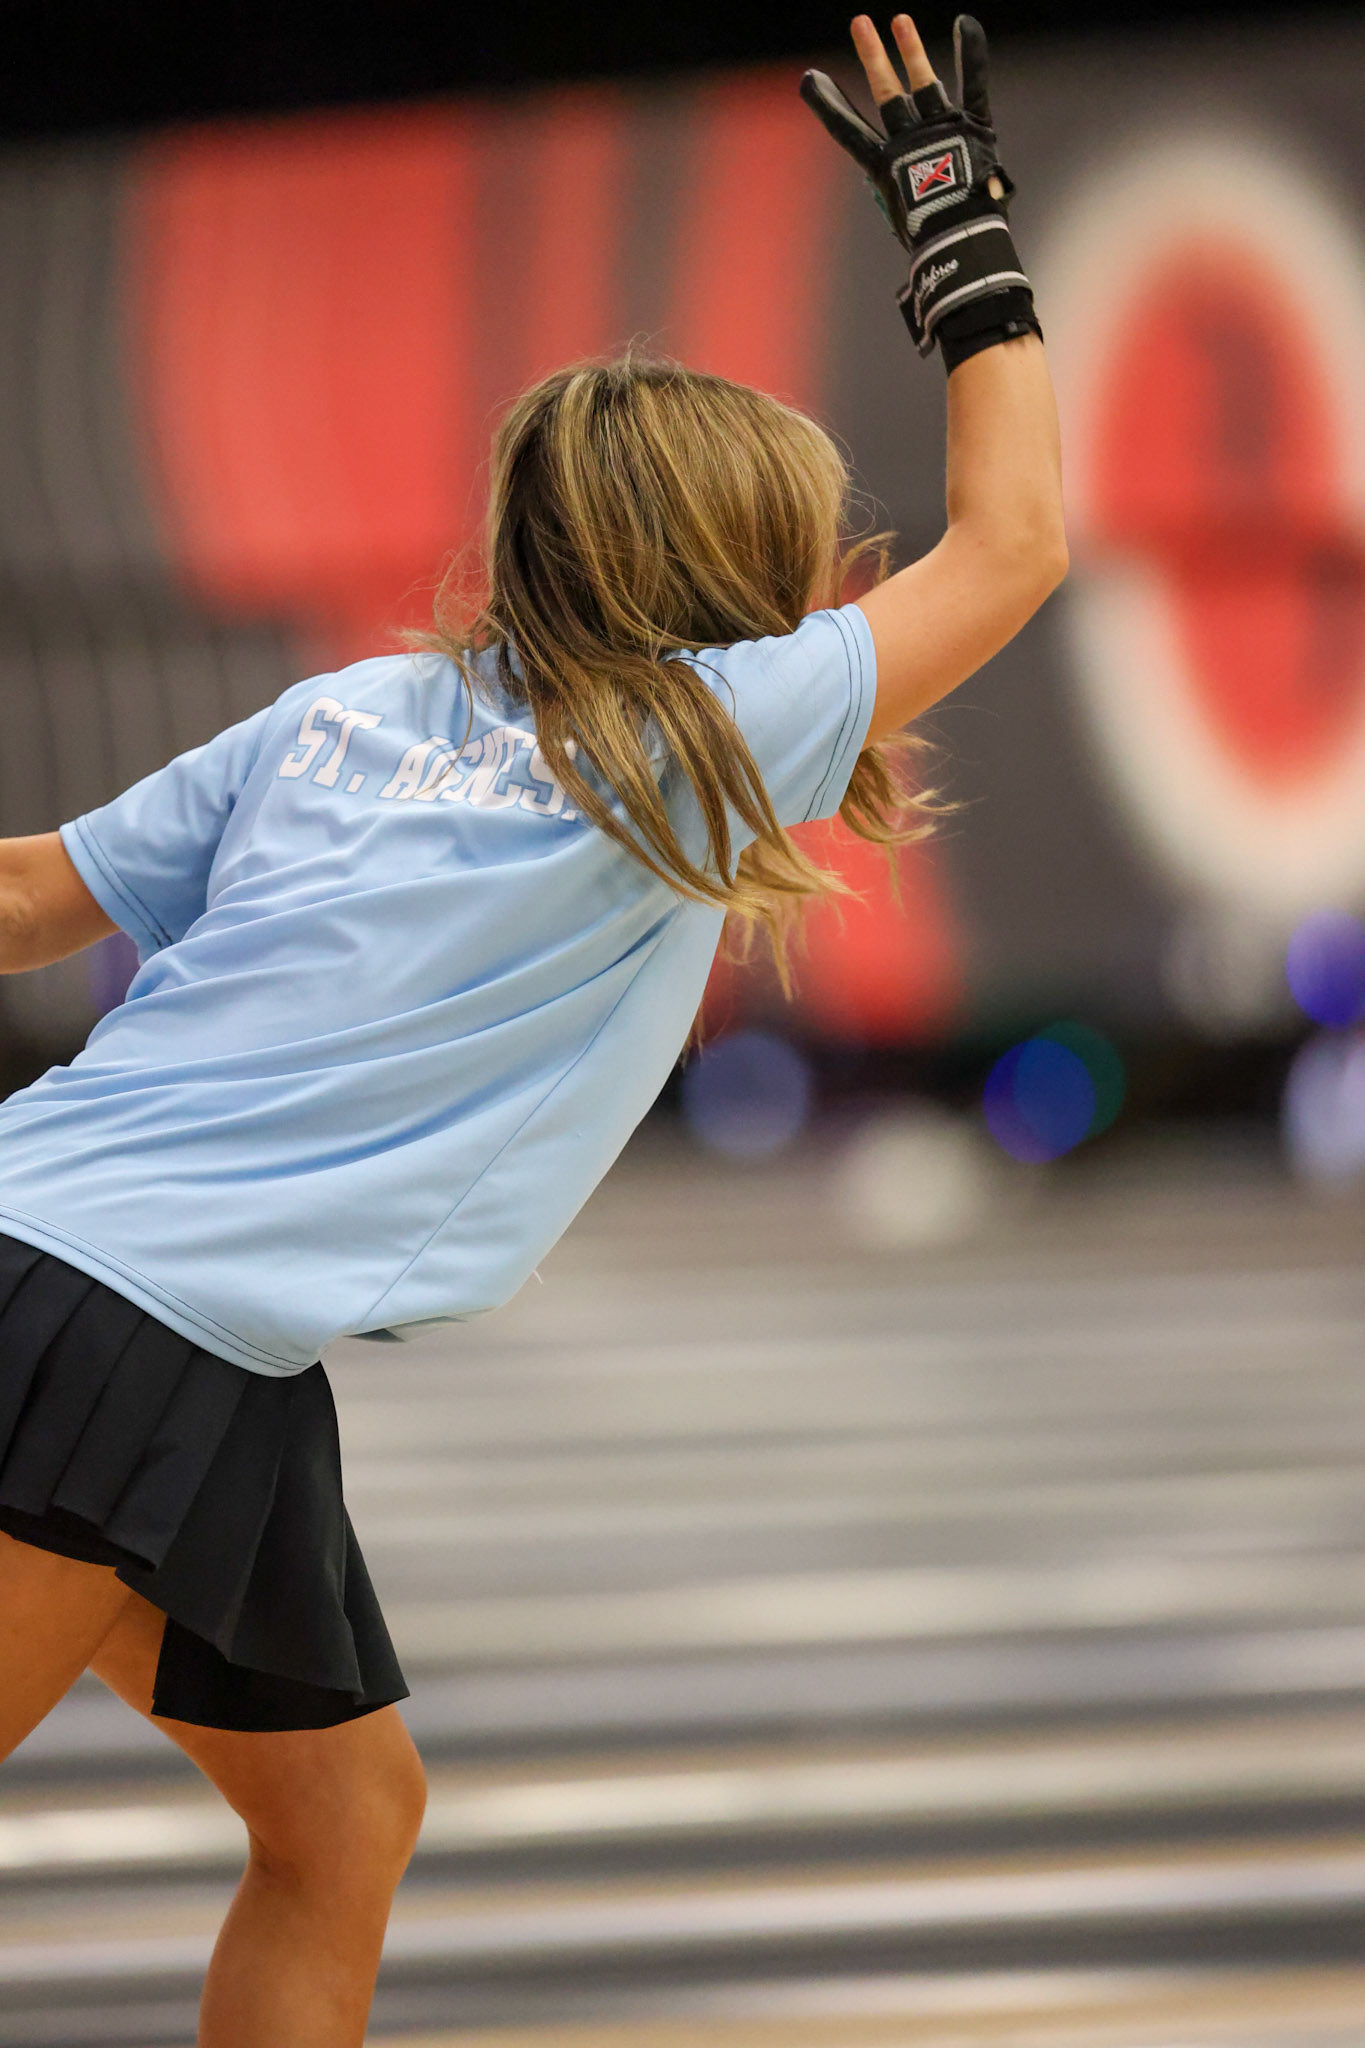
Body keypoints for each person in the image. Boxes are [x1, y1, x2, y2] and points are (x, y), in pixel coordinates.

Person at [0, 15, 1064, 2045]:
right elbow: (1009, 543)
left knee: (343, 1823)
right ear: (722, 562)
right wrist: (959, 233)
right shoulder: (699, 733)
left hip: (164, 1328)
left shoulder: (348, 712)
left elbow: (26, 895)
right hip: (110, 1333)